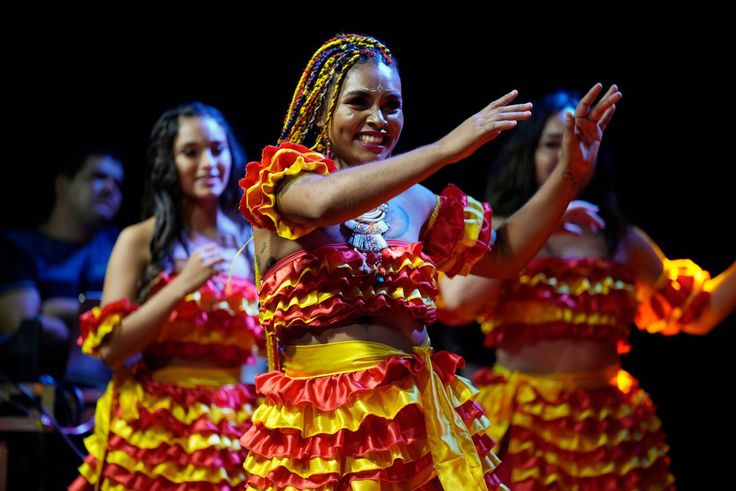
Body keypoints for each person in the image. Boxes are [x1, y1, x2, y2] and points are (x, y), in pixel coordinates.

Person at [237, 34, 620, 490]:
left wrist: (569, 174)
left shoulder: (415, 201)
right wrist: (445, 150)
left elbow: (503, 254)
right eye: (358, 102)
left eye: (391, 105)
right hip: (321, 429)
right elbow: (323, 206)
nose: (377, 119)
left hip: (416, 424)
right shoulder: (284, 184)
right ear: (324, 109)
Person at [439, 89, 736, 490]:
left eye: (578, 141)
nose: (566, 154)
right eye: (552, 144)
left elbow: (699, 313)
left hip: (609, 428)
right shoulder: (500, 235)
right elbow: (455, 305)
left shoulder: (619, 241)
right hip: (522, 428)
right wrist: (541, 227)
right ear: (527, 154)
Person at [69, 102, 263, 491]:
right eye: (191, 152)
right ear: (168, 162)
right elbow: (111, 350)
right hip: (157, 425)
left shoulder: (252, 242)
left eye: (217, 149)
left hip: (236, 423)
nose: (209, 162)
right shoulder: (140, 240)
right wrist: (180, 286)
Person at [0, 147, 124, 386]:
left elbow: (138, 317)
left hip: (113, 390)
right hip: (37, 395)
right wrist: (100, 315)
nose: (111, 189)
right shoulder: (17, 248)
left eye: (118, 183)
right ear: (63, 185)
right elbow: (27, 328)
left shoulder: (122, 246)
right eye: (98, 177)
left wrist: (53, 307)